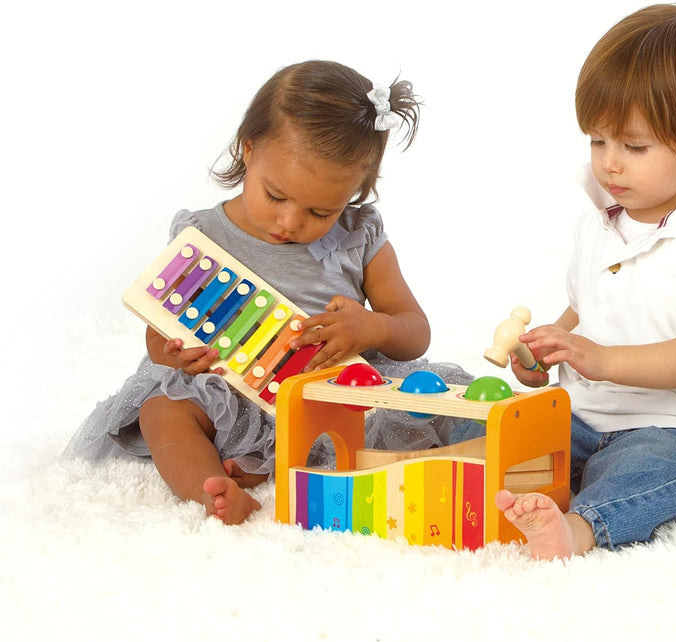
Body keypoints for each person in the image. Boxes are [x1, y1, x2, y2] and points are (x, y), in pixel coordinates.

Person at [64, 60, 472, 525]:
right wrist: (173, 354)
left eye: (321, 211)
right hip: (224, 396)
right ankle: (212, 490)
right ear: (248, 149)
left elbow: (415, 332)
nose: (291, 222)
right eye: (275, 196)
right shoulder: (200, 235)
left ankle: (264, 465)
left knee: (429, 410)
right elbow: (159, 340)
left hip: (328, 395)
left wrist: (371, 326)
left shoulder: (359, 236)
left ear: (354, 193)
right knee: (163, 409)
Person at [495, 4, 676, 559]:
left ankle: (580, 529)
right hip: (587, 416)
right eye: (598, 142)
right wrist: (549, 349)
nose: (609, 165)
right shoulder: (599, 222)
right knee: (502, 430)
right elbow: (583, 312)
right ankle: (480, 484)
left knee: (653, 473)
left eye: (633, 146)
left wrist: (603, 359)